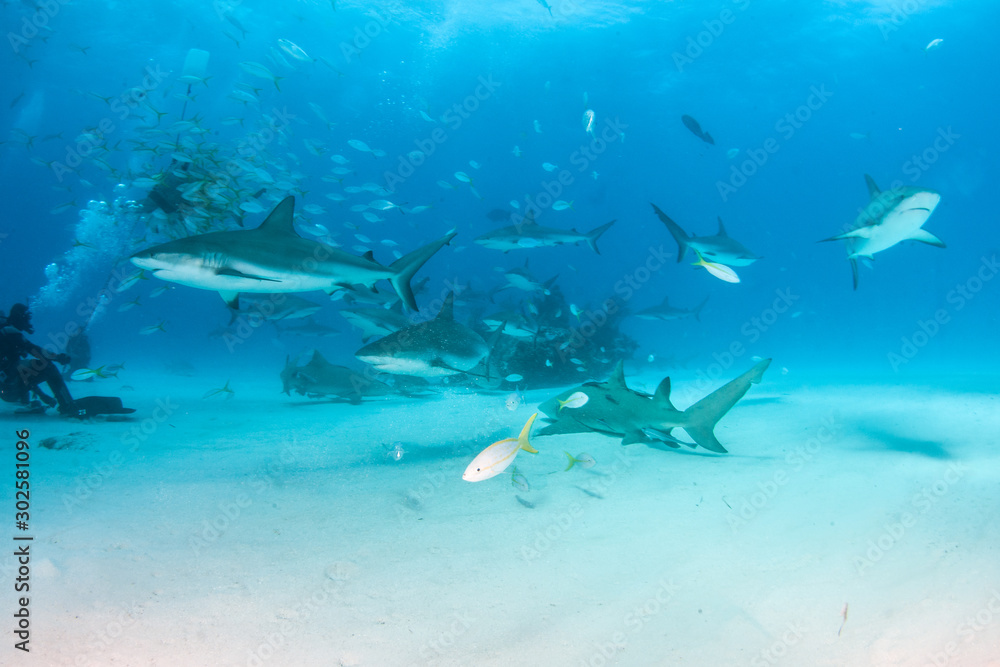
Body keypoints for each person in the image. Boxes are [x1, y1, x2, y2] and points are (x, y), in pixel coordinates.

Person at [0, 303, 134, 418]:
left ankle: (26, 404)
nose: (28, 322)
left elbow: (17, 371)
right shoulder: (9, 333)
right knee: (47, 366)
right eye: (27, 318)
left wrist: (42, 395)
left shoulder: (6, 335)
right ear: (20, 317)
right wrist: (58, 357)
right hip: (10, 389)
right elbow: (35, 351)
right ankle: (67, 406)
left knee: (25, 366)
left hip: (7, 389)